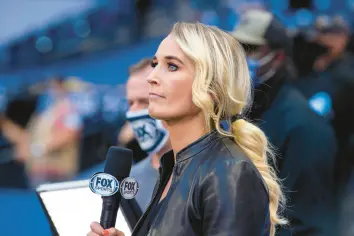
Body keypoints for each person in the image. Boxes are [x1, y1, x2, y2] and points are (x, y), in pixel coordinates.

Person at [88, 22, 287, 236]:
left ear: (211, 88)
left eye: (172, 66)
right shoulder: (172, 166)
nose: (152, 77)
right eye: (155, 64)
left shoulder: (230, 172)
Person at [231, 10, 338, 235]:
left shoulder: (304, 127)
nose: (240, 57)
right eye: (236, 48)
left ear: (278, 57)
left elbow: (304, 225)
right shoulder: (243, 110)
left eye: (250, 49)